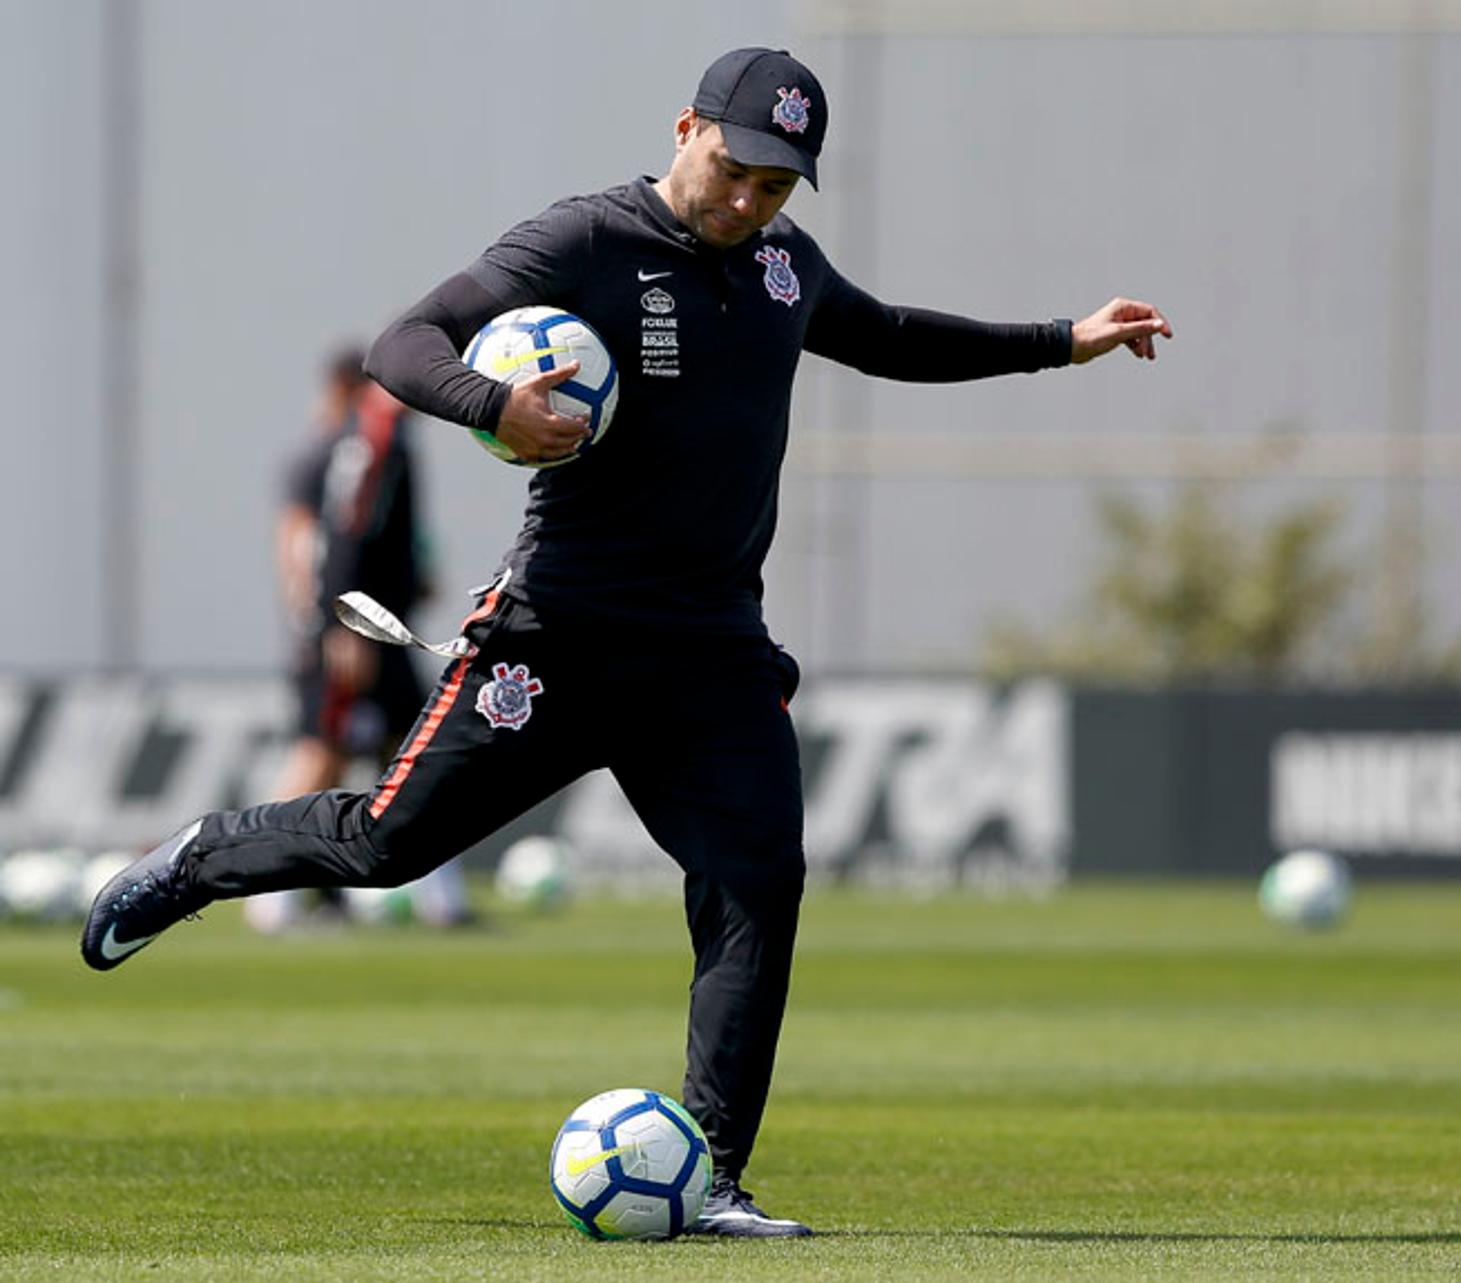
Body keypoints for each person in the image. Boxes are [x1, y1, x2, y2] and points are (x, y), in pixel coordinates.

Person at [82, 46, 1171, 1237]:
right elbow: (408, 343)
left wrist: (1061, 337)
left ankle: (710, 1176)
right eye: (741, 167)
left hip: (711, 655)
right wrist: (496, 404)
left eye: (780, 183)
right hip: (557, 637)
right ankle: (201, 856)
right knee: (390, 846)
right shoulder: (584, 243)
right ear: (689, 128)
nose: (754, 199)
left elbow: (890, 334)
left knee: (760, 883)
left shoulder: (780, 265)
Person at [249, 347, 469, 932]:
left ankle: (443, 901)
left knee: (412, 750)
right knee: (323, 752)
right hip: (354, 629)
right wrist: (337, 622)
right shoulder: (365, 440)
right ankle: (266, 894)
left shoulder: (378, 440)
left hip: (374, 626)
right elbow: (330, 540)